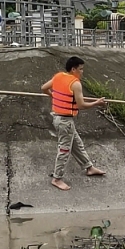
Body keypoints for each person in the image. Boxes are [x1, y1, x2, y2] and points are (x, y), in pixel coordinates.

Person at [41, 56, 107, 191]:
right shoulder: (75, 84)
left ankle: (89, 167)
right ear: (73, 69)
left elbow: (44, 88)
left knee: (77, 144)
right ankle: (57, 178)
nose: (82, 72)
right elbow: (81, 105)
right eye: (81, 69)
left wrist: (54, 95)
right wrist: (97, 103)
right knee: (64, 150)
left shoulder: (58, 76)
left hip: (58, 119)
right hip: (65, 121)